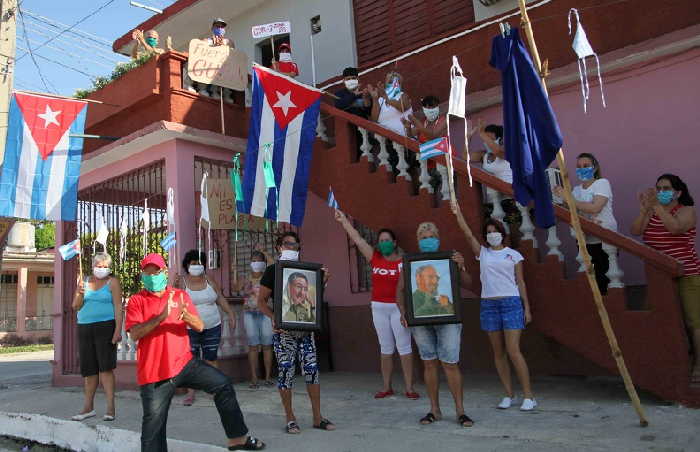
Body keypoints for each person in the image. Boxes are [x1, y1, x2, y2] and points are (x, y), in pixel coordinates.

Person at [125, 253, 264, 451]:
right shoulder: (137, 300)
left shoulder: (180, 295)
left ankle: (237, 438)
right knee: (153, 426)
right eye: (148, 273)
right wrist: (160, 318)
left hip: (184, 364)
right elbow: (135, 333)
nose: (152, 276)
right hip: (155, 374)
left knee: (223, 385)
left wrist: (187, 316)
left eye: (155, 272)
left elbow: (199, 326)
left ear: (164, 272)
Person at [451, 203, 537, 411]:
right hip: (489, 304)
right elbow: (468, 234)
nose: (492, 235)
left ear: (502, 232)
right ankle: (508, 394)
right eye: (488, 232)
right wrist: (458, 213)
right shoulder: (483, 253)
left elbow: (521, 282)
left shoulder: (514, 255)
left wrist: (527, 308)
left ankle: (529, 396)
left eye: (495, 231)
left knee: (513, 350)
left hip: (511, 303)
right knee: (498, 353)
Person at [396, 222, 475, 428]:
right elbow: (400, 290)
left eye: (431, 236)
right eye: (423, 238)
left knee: (450, 363)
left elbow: (468, 283)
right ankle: (434, 410)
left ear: (438, 238)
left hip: (448, 318)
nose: (427, 240)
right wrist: (404, 312)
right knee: (429, 362)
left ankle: (460, 411)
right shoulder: (411, 263)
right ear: (418, 241)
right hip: (420, 320)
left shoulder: (449, 260)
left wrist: (462, 265)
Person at [256, 232, 336, 434]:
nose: (291, 248)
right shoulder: (272, 271)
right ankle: (290, 417)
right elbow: (261, 302)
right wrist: (273, 317)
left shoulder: (306, 270)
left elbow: (314, 300)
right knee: (285, 373)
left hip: (306, 331)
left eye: (295, 245)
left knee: (312, 372)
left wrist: (323, 280)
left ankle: (318, 417)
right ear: (278, 247)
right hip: (283, 333)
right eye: (287, 244)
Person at [335, 210, 418, 400]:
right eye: (381, 240)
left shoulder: (404, 261)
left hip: (399, 309)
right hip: (379, 308)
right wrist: (343, 221)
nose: (384, 243)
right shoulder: (375, 258)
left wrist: (406, 311)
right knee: (385, 348)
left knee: (404, 348)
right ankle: (386, 387)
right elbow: (358, 239)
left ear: (395, 242)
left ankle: (409, 388)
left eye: (387, 240)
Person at [631, 174, 700, 382]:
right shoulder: (652, 211)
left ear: (678, 192)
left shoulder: (687, 210)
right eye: (658, 188)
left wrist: (658, 208)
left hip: (687, 274)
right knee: (655, 319)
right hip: (658, 277)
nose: (661, 192)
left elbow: (676, 228)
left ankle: (698, 364)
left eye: (666, 188)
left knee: (693, 321)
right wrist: (645, 210)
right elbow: (635, 231)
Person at [176, 250, 237, 406]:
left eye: (199, 263)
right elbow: (173, 303)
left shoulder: (209, 279)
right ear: (187, 265)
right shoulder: (181, 281)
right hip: (190, 327)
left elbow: (220, 298)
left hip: (213, 325)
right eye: (193, 263)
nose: (196, 266)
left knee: (211, 358)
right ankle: (191, 393)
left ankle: (214, 388)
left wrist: (230, 314)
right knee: (191, 360)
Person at [554, 153, 618, 294]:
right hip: (585, 241)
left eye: (586, 166)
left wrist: (569, 198)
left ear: (594, 168)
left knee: (605, 281)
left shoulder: (602, 183)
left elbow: (596, 207)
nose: (582, 169)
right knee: (592, 283)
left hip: (604, 240)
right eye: (579, 167)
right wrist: (561, 197)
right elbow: (571, 211)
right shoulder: (576, 191)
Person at [70, 252, 122, 422]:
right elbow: (75, 306)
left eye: (105, 266)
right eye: (99, 266)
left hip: (106, 327)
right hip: (84, 327)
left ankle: (110, 407)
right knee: (89, 370)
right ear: (93, 266)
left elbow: (118, 308)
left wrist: (117, 331)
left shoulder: (112, 282)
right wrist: (79, 293)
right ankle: (88, 407)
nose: (102, 269)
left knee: (105, 369)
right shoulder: (83, 281)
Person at [240, 250, 274, 388]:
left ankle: (268, 377)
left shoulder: (268, 276)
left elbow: (275, 264)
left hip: (266, 313)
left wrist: (265, 252)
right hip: (249, 313)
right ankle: (254, 378)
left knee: (267, 345)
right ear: (250, 262)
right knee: (253, 346)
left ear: (264, 263)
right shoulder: (245, 277)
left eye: (259, 261)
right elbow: (236, 287)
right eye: (253, 260)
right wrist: (235, 273)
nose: (256, 263)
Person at [368, 71, 413, 136]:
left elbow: (402, 107)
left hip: (402, 138)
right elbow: (374, 120)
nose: (393, 85)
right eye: (390, 82)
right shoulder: (381, 99)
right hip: (384, 139)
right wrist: (375, 99)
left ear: (400, 84)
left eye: (395, 82)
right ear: (386, 84)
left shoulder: (404, 96)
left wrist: (387, 98)